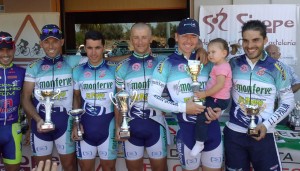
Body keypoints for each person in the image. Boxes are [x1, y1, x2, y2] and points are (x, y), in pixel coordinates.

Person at [148, 18, 223, 171]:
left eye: (193, 36)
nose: (189, 40)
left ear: (198, 39)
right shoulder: (166, 64)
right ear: (176, 37)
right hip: (188, 132)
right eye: (184, 36)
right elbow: (152, 98)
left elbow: (223, 90)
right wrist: (183, 107)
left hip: (212, 130)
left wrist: (220, 110)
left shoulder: (208, 61)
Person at [224, 20, 295, 171]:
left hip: (264, 133)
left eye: (255, 40)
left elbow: (288, 101)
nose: (250, 46)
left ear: (265, 40)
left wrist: (267, 124)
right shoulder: (233, 63)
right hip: (235, 134)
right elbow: (217, 85)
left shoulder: (277, 68)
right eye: (246, 41)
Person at [22, 24, 81, 171]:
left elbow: (101, 60)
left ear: (61, 42)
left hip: (65, 122)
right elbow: (25, 97)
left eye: (55, 41)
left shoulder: (73, 61)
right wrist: (37, 120)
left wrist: (132, 57)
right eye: (47, 42)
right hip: (40, 122)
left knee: (69, 166)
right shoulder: (34, 66)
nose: (51, 46)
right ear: (41, 43)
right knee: (42, 168)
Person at [114, 23, 169, 171]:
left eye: (144, 37)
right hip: (131, 126)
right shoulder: (122, 67)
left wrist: (201, 49)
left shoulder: (163, 62)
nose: (140, 42)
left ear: (151, 38)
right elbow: (119, 100)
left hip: (156, 125)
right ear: (130, 39)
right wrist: (118, 126)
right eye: (136, 38)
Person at [71, 30, 118, 171]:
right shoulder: (77, 71)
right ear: (84, 48)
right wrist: (76, 123)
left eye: (97, 47)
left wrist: (120, 124)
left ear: (103, 47)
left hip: (108, 126)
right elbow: (76, 98)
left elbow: (119, 101)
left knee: (109, 168)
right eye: (90, 48)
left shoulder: (115, 70)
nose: (93, 52)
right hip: (85, 127)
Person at [190, 38, 232, 157]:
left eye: (213, 52)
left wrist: (204, 94)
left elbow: (219, 85)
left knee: (202, 118)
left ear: (224, 53)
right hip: (214, 97)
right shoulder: (218, 65)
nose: (210, 55)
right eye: (209, 52)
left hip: (217, 99)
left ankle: (199, 142)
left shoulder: (222, 67)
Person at [0, 31, 26, 171]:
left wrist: (30, 127)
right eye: (1, 49)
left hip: (12, 130)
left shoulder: (21, 73)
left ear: (14, 49)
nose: (5, 54)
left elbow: (27, 100)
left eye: (9, 49)